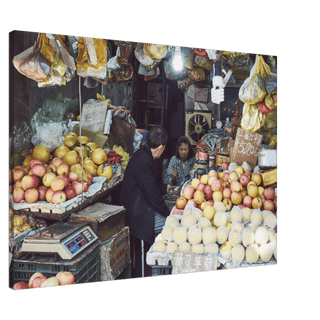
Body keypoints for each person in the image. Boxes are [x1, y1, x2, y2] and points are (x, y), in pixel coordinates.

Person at [119, 126, 174, 244]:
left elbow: (149, 185)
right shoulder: (144, 161)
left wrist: (165, 188)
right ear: (160, 148)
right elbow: (152, 194)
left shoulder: (144, 155)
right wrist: (170, 215)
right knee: (172, 224)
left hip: (139, 205)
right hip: (136, 214)